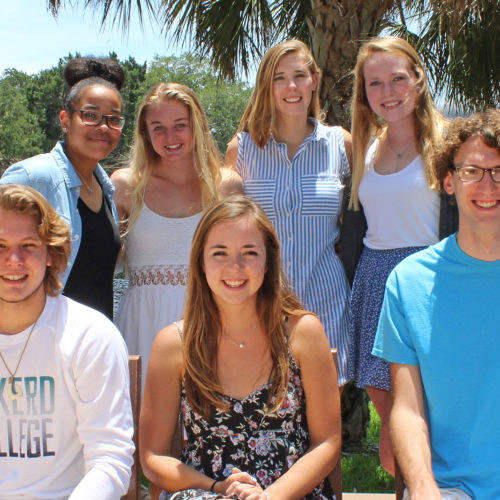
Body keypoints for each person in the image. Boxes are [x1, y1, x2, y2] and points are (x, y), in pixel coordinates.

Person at [140, 195, 341, 500]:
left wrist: (269, 496)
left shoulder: (302, 333)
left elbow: (327, 442)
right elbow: (153, 457)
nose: (235, 267)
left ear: (268, 261)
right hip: (206, 493)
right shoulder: (175, 344)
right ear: (201, 262)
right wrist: (216, 488)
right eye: (219, 253)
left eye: (249, 252)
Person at [341, 36, 458, 474]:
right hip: (376, 287)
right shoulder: (363, 147)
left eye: (397, 79)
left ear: (419, 80)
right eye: (375, 84)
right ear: (364, 93)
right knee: (393, 436)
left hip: (434, 286)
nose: (387, 93)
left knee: (436, 421)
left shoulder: (447, 144)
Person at [373, 109, 500, 499]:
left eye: (499, 171)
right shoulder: (409, 282)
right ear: (448, 181)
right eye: (471, 171)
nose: (488, 185)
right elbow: (407, 409)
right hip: (450, 489)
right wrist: (425, 488)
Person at [225, 40, 352, 387]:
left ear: (314, 80)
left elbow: (360, 218)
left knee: (325, 419)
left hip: (325, 298)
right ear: (268, 86)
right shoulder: (243, 148)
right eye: (280, 78)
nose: (291, 87)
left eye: (300, 75)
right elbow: (225, 227)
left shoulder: (341, 144)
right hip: (261, 305)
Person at [0, 183, 134, 499]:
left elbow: (109, 458)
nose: (14, 259)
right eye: (0, 246)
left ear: (51, 253)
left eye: (29, 245)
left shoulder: (90, 336)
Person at [111, 82, 222, 383]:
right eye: (157, 127)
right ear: (144, 132)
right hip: (140, 322)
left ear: (196, 126)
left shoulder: (224, 186)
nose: (170, 137)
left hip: (207, 321)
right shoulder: (125, 186)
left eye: (180, 125)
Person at [0, 57, 124, 319]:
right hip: (39, 339)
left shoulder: (106, 190)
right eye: (90, 115)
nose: (103, 127)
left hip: (90, 344)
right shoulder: (34, 177)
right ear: (65, 120)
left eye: (113, 119)